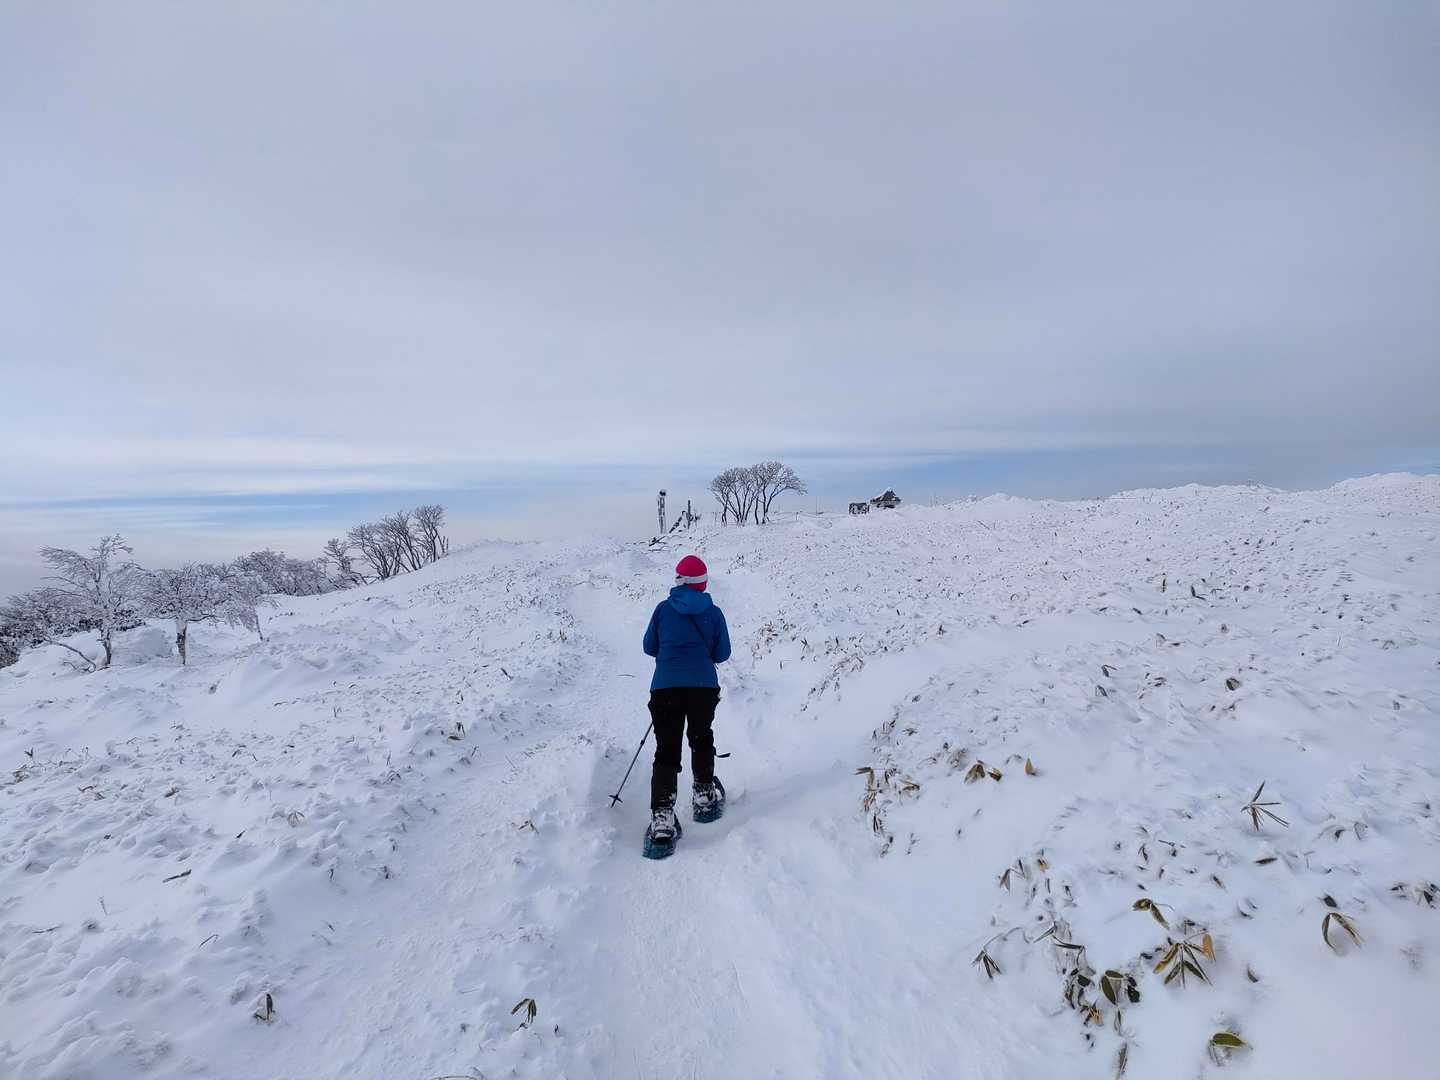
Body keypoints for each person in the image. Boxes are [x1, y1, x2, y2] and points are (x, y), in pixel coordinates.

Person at [641, 554, 732, 851]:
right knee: (701, 737)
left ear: (679, 580)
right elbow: (722, 654)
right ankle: (704, 795)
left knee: (667, 749)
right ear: (702, 583)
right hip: (703, 687)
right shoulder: (713, 613)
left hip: (665, 686)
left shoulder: (662, 610)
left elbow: (649, 646)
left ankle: (662, 816)